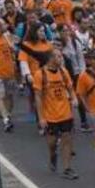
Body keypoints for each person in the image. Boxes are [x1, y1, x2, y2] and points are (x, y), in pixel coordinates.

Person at [34, 49, 79, 180]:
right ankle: (52, 155)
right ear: (50, 59)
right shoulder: (40, 74)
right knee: (52, 142)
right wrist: (41, 117)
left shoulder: (64, 72)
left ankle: (67, 168)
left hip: (65, 113)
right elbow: (38, 97)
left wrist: (74, 98)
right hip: (50, 115)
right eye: (58, 57)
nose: (61, 59)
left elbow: (70, 88)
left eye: (61, 56)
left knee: (67, 140)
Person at [76, 49, 95, 132]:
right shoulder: (83, 76)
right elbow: (81, 94)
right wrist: (88, 109)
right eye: (91, 59)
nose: (94, 61)